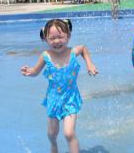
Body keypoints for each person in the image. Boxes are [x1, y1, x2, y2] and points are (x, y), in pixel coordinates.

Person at [21, 19, 98, 153]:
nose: (57, 41)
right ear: (46, 39)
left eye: (60, 37)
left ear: (68, 36)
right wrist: (30, 72)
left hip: (70, 99)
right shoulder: (46, 56)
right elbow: (35, 71)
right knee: (52, 134)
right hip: (53, 100)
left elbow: (84, 48)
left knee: (69, 133)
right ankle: (53, 147)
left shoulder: (73, 52)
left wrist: (90, 64)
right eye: (52, 38)